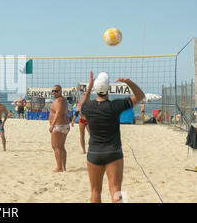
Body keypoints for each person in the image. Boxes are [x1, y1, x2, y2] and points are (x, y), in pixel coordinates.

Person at [79, 71, 144, 203]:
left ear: (95, 89)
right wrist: (128, 81)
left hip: (94, 152)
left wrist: (89, 87)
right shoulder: (115, 105)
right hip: (113, 153)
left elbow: (80, 110)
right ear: (108, 88)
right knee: (115, 190)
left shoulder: (88, 107)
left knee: (95, 191)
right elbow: (140, 96)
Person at [49, 85, 70, 172]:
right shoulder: (63, 100)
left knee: (55, 147)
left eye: (56, 91)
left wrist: (52, 125)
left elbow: (58, 113)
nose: (54, 92)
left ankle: (59, 167)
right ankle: (63, 167)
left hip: (59, 126)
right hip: (64, 125)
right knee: (61, 147)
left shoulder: (59, 100)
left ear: (61, 91)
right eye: (53, 91)